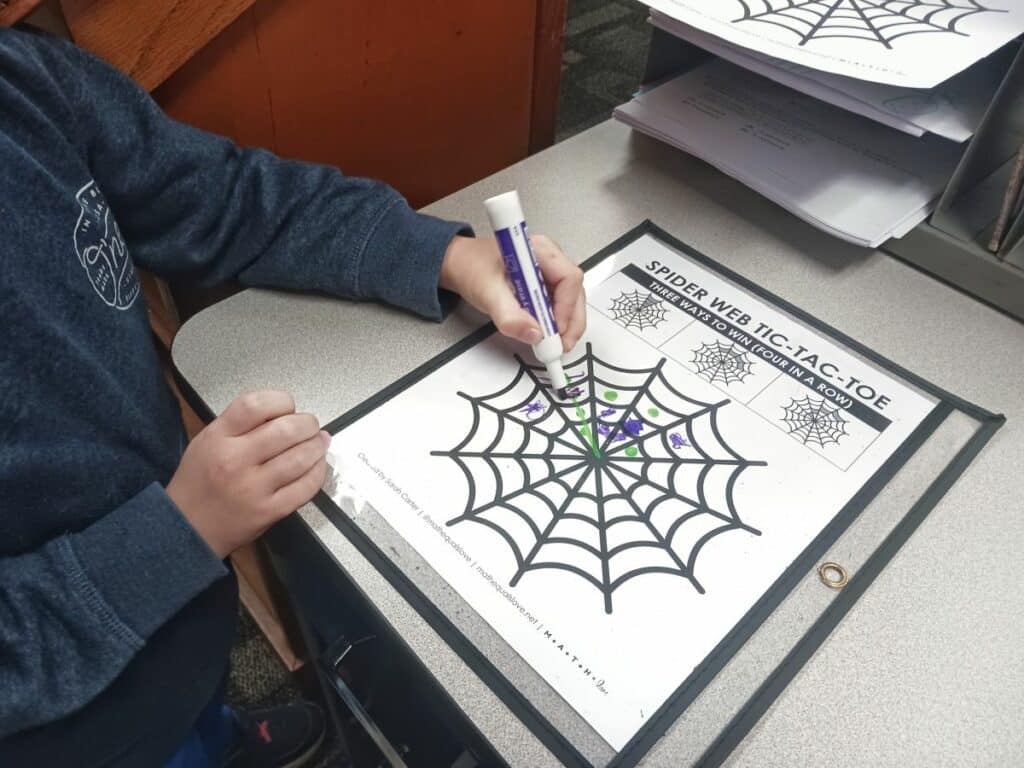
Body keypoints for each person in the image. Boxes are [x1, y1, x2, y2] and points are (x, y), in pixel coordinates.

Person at [0, 23, 586, 768]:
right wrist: (177, 535)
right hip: (67, 732)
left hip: (186, 614)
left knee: (202, 717)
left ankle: (226, 738)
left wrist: (445, 254)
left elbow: (226, 197)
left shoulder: (28, 78)